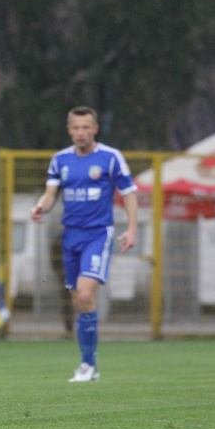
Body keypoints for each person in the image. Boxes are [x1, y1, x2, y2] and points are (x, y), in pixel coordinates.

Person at [30, 106, 137, 382]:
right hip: (71, 236)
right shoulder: (60, 160)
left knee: (86, 293)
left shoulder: (110, 158)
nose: (81, 133)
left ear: (95, 129)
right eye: (76, 128)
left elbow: (129, 194)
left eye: (86, 127)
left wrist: (132, 229)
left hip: (98, 234)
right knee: (79, 300)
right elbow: (51, 194)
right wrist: (41, 207)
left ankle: (88, 365)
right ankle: (90, 364)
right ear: (69, 130)